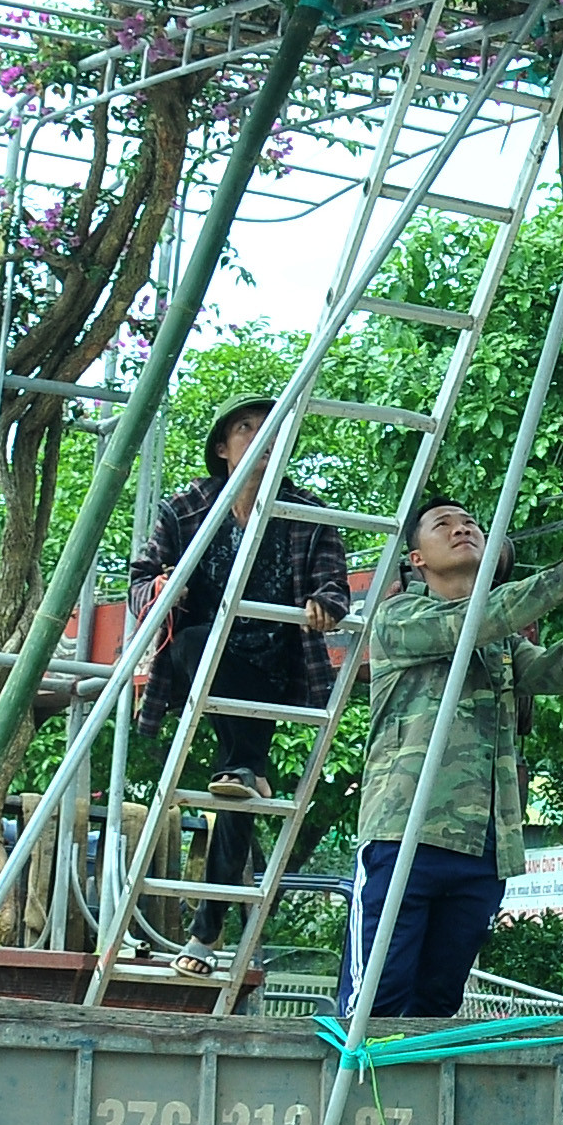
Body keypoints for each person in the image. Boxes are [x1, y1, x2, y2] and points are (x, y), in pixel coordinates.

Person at [345, 496, 563, 1023]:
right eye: (442, 524)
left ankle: (417, 1104)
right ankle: (359, 1100)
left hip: (482, 847)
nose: (461, 529)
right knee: (377, 1006)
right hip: (405, 832)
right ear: (417, 559)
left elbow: (555, 673)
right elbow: (472, 622)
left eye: (470, 522)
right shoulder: (399, 616)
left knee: (437, 1006)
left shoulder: (500, 642)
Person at [128, 396, 354, 975]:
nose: (260, 437)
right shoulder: (187, 508)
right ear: (223, 447)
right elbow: (141, 580)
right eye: (246, 428)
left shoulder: (310, 513)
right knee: (195, 643)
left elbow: (334, 587)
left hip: (276, 666)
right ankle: (246, 770)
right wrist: (161, 590)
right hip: (204, 656)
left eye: (272, 429)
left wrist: (324, 606)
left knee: (236, 790)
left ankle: (205, 936)